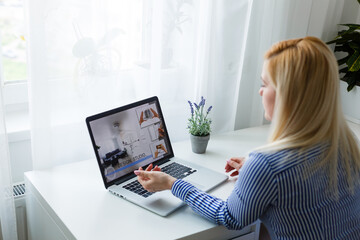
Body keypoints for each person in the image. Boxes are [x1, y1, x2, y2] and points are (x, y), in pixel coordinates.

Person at [134, 37, 360, 239]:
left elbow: (230, 217)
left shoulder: (266, 164)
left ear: (289, 95)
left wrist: (172, 183)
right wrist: (256, 175)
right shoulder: (347, 143)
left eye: (265, 84)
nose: (260, 92)